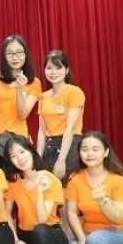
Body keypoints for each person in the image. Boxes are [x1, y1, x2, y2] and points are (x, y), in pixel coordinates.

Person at [3, 135, 68, 244]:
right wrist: (16, 240)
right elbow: (6, 213)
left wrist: (40, 191)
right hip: (27, 237)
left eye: (22, 152)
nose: (20, 158)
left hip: (50, 234)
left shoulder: (51, 180)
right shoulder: (14, 181)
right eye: (13, 156)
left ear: (31, 151)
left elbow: (42, 220)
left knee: (40, 230)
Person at [0, 35, 41, 155]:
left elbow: (23, 114)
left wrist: (18, 88)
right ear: (3, 56)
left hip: (21, 144)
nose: (15, 57)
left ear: (25, 55)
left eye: (19, 52)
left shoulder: (33, 82)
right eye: (10, 53)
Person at [37, 50, 85, 184]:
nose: (53, 72)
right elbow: (41, 131)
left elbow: (70, 128)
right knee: (51, 190)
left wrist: (61, 160)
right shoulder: (43, 97)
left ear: (67, 70)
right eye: (49, 68)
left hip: (69, 146)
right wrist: (38, 158)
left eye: (58, 68)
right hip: (49, 146)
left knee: (67, 188)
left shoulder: (74, 92)